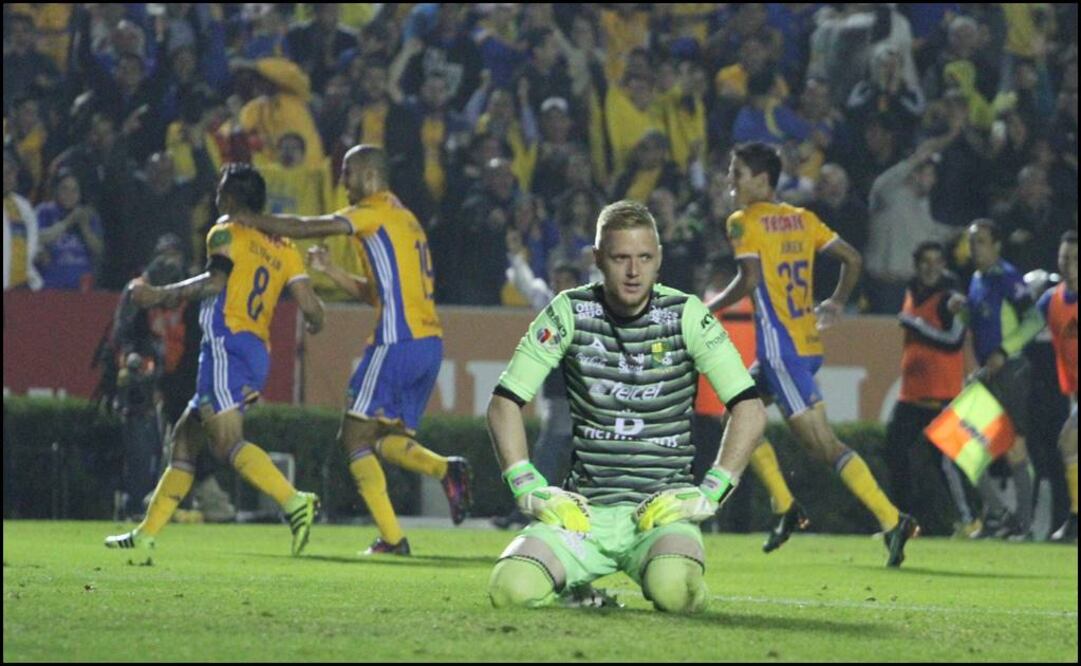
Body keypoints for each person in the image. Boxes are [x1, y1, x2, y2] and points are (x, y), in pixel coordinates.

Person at [485, 200, 767, 612]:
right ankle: (579, 591)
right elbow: (504, 402)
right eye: (620, 258)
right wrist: (526, 487)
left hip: (661, 514)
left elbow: (749, 408)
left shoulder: (686, 314)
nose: (634, 272)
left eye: (644, 258)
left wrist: (712, 492)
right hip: (582, 516)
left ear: (659, 260)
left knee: (675, 593)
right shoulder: (569, 311)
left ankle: (669, 582)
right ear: (598, 259)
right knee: (508, 589)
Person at [232, 145, 473, 555]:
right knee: (381, 439)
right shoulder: (405, 219)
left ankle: (394, 540)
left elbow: (310, 225)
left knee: (353, 437)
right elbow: (376, 293)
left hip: (396, 342)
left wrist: (251, 221)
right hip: (428, 344)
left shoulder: (372, 211)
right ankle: (445, 469)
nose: (342, 181)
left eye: (346, 172)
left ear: (368, 175)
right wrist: (330, 271)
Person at [706, 142, 919, 566]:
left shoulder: (742, 222)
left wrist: (707, 307)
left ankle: (893, 519)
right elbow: (852, 259)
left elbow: (748, 280)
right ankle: (785, 507)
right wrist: (836, 300)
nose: (731, 180)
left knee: (824, 446)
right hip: (803, 343)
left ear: (762, 180)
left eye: (738, 172)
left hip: (780, 353)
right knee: (737, 416)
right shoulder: (802, 219)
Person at [104, 163, 325, 555]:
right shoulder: (285, 249)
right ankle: (145, 536)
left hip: (225, 344)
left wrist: (158, 294)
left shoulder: (225, 230)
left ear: (232, 199)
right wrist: (313, 320)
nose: (215, 197)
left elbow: (215, 282)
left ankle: (294, 502)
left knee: (227, 443)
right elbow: (312, 309)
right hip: (255, 352)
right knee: (185, 442)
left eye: (221, 190)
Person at [949, 219, 1045, 539]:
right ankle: (999, 515)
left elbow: (1034, 320)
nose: (974, 248)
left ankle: (1024, 526)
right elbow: (980, 323)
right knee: (962, 442)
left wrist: (1005, 351)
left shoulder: (1007, 277)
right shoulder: (976, 279)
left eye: (981, 242)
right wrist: (961, 311)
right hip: (988, 373)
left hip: (1011, 370)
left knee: (1014, 449)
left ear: (997, 245)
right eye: (972, 242)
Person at [883, 241, 977, 536]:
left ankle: (971, 520)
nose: (931, 266)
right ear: (917, 264)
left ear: (944, 264)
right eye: (926, 261)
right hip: (911, 394)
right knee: (894, 454)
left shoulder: (950, 298)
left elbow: (954, 341)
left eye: (937, 261)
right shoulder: (912, 290)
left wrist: (916, 325)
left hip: (941, 394)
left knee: (947, 462)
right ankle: (902, 522)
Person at [1037, 232, 1078, 543]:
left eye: (1075, 259)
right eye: (1064, 259)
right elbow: (1022, 327)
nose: (1069, 266)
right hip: (1074, 393)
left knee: (1068, 441)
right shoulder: (1050, 299)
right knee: (1069, 446)